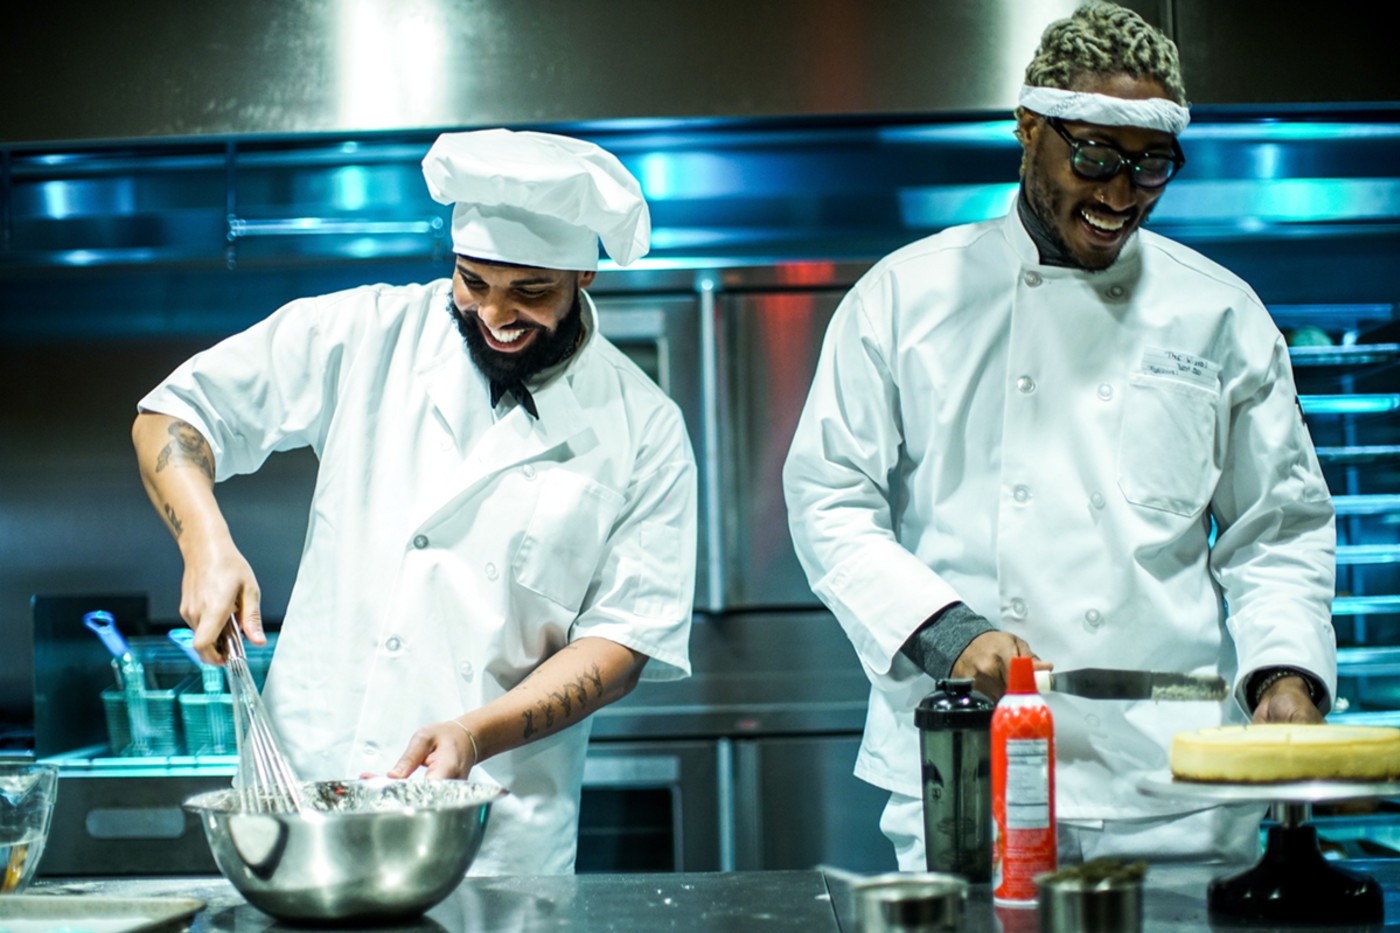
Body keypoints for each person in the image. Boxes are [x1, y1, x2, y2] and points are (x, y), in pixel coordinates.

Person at [782, 1, 1334, 868]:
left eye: (1152, 166)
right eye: (1095, 157)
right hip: (969, 762)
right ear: (1029, 130)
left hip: (1173, 781)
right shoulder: (904, 298)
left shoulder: (1219, 312)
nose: (1119, 195)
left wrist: (1287, 674)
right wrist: (948, 633)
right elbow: (829, 500)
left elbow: (1279, 528)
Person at [133, 128, 698, 875]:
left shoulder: (644, 425)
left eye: (531, 292)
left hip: (494, 836)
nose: (495, 315)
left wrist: (475, 732)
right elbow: (173, 416)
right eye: (473, 282)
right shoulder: (368, 333)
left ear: (582, 276)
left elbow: (621, 643)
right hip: (308, 799)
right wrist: (206, 545)